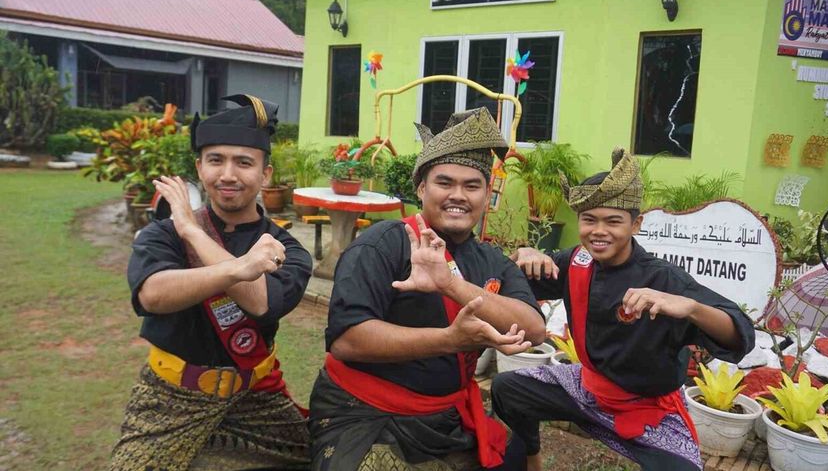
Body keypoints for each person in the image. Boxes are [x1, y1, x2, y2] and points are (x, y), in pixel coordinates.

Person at [308, 107, 546, 471]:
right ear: (421, 188)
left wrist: (450, 284)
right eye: (444, 183)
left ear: (487, 195)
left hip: (446, 417)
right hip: (363, 413)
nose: (458, 195)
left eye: (472, 186)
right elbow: (347, 340)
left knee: (514, 456)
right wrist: (450, 339)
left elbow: (534, 329)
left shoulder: (493, 260)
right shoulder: (382, 244)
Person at [491, 148, 755, 471]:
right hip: (584, 387)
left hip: (646, 407)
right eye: (589, 220)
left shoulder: (663, 279)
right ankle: (529, 458)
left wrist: (691, 308)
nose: (599, 231)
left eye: (613, 221)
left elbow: (740, 334)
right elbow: (509, 284)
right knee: (507, 389)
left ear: (635, 224)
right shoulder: (577, 261)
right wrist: (522, 257)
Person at [110, 94, 313, 471]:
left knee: (320, 456)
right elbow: (153, 294)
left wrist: (193, 232)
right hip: (170, 397)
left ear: (265, 174)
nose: (228, 175)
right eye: (216, 160)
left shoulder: (284, 246)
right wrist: (238, 266)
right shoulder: (164, 234)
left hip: (255, 397)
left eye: (244, 162)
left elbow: (261, 303)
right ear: (199, 167)